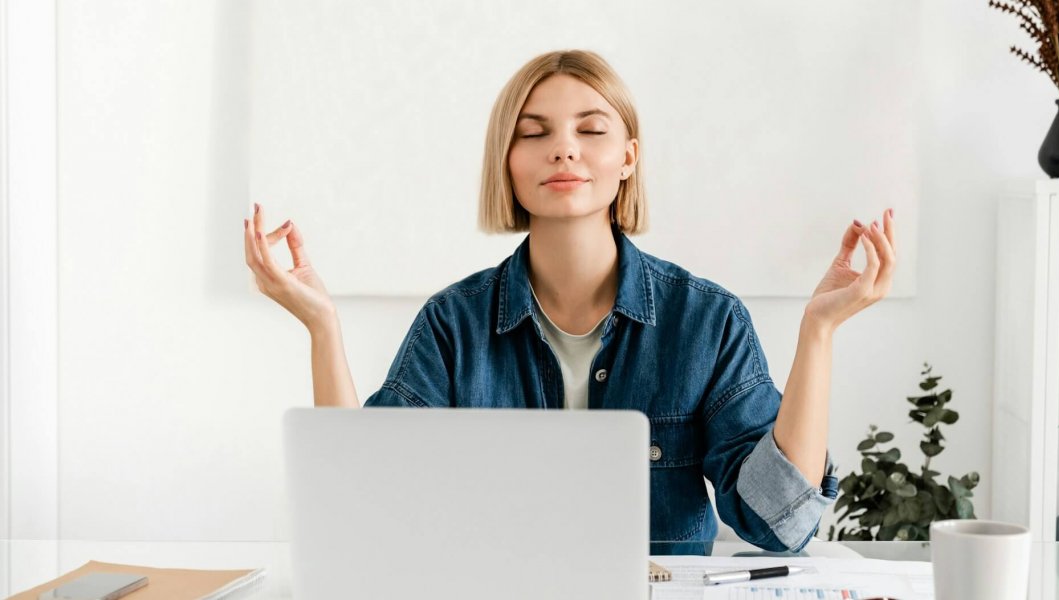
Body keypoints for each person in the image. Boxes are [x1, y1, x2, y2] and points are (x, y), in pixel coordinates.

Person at [242, 49, 897, 555]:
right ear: (506, 161)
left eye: (591, 129)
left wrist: (818, 334)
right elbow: (367, 506)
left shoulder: (707, 321)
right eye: (534, 132)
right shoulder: (453, 324)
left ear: (628, 159)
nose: (563, 147)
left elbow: (778, 523)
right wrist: (322, 326)